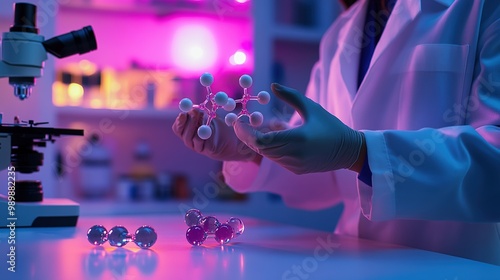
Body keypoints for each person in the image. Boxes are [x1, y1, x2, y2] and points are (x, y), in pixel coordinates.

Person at [173, 0, 500, 265]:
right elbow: (325, 173)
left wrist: (359, 152)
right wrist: (251, 150)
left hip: (456, 265)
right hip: (351, 261)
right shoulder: (343, 32)